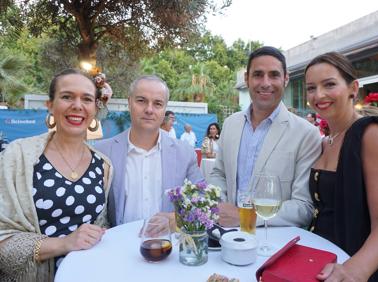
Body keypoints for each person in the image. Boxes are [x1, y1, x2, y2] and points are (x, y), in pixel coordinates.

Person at [0, 69, 113, 281]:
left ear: (95, 109)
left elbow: (100, 227)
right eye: (67, 96)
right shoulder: (17, 156)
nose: (77, 105)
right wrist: (64, 243)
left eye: (87, 99)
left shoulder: (103, 165)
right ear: (50, 105)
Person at [305, 52, 378, 281]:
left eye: (329, 84)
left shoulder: (369, 134)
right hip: (319, 262)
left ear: (353, 88)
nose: (319, 95)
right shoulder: (325, 141)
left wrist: (355, 270)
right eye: (311, 88)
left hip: (357, 268)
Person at [210, 46, 322, 227]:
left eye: (274, 75)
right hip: (226, 235)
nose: (265, 83)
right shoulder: (230, 124)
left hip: (275, 241)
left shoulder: (306, 134)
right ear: (247, 79)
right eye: (258, 74)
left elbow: (303, 207)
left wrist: (245, 217)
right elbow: (219, 174)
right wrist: (221, 205)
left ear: (286, 79)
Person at [95, 75, 204, 228]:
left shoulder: (185, 153)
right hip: (118, 245)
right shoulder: (103, 152)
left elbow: (203, 200)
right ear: (129, 102)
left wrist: (177, 218)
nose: (149, 110)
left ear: (164, 109)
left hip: (167, 246)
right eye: (141, 101)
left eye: (158, 103)